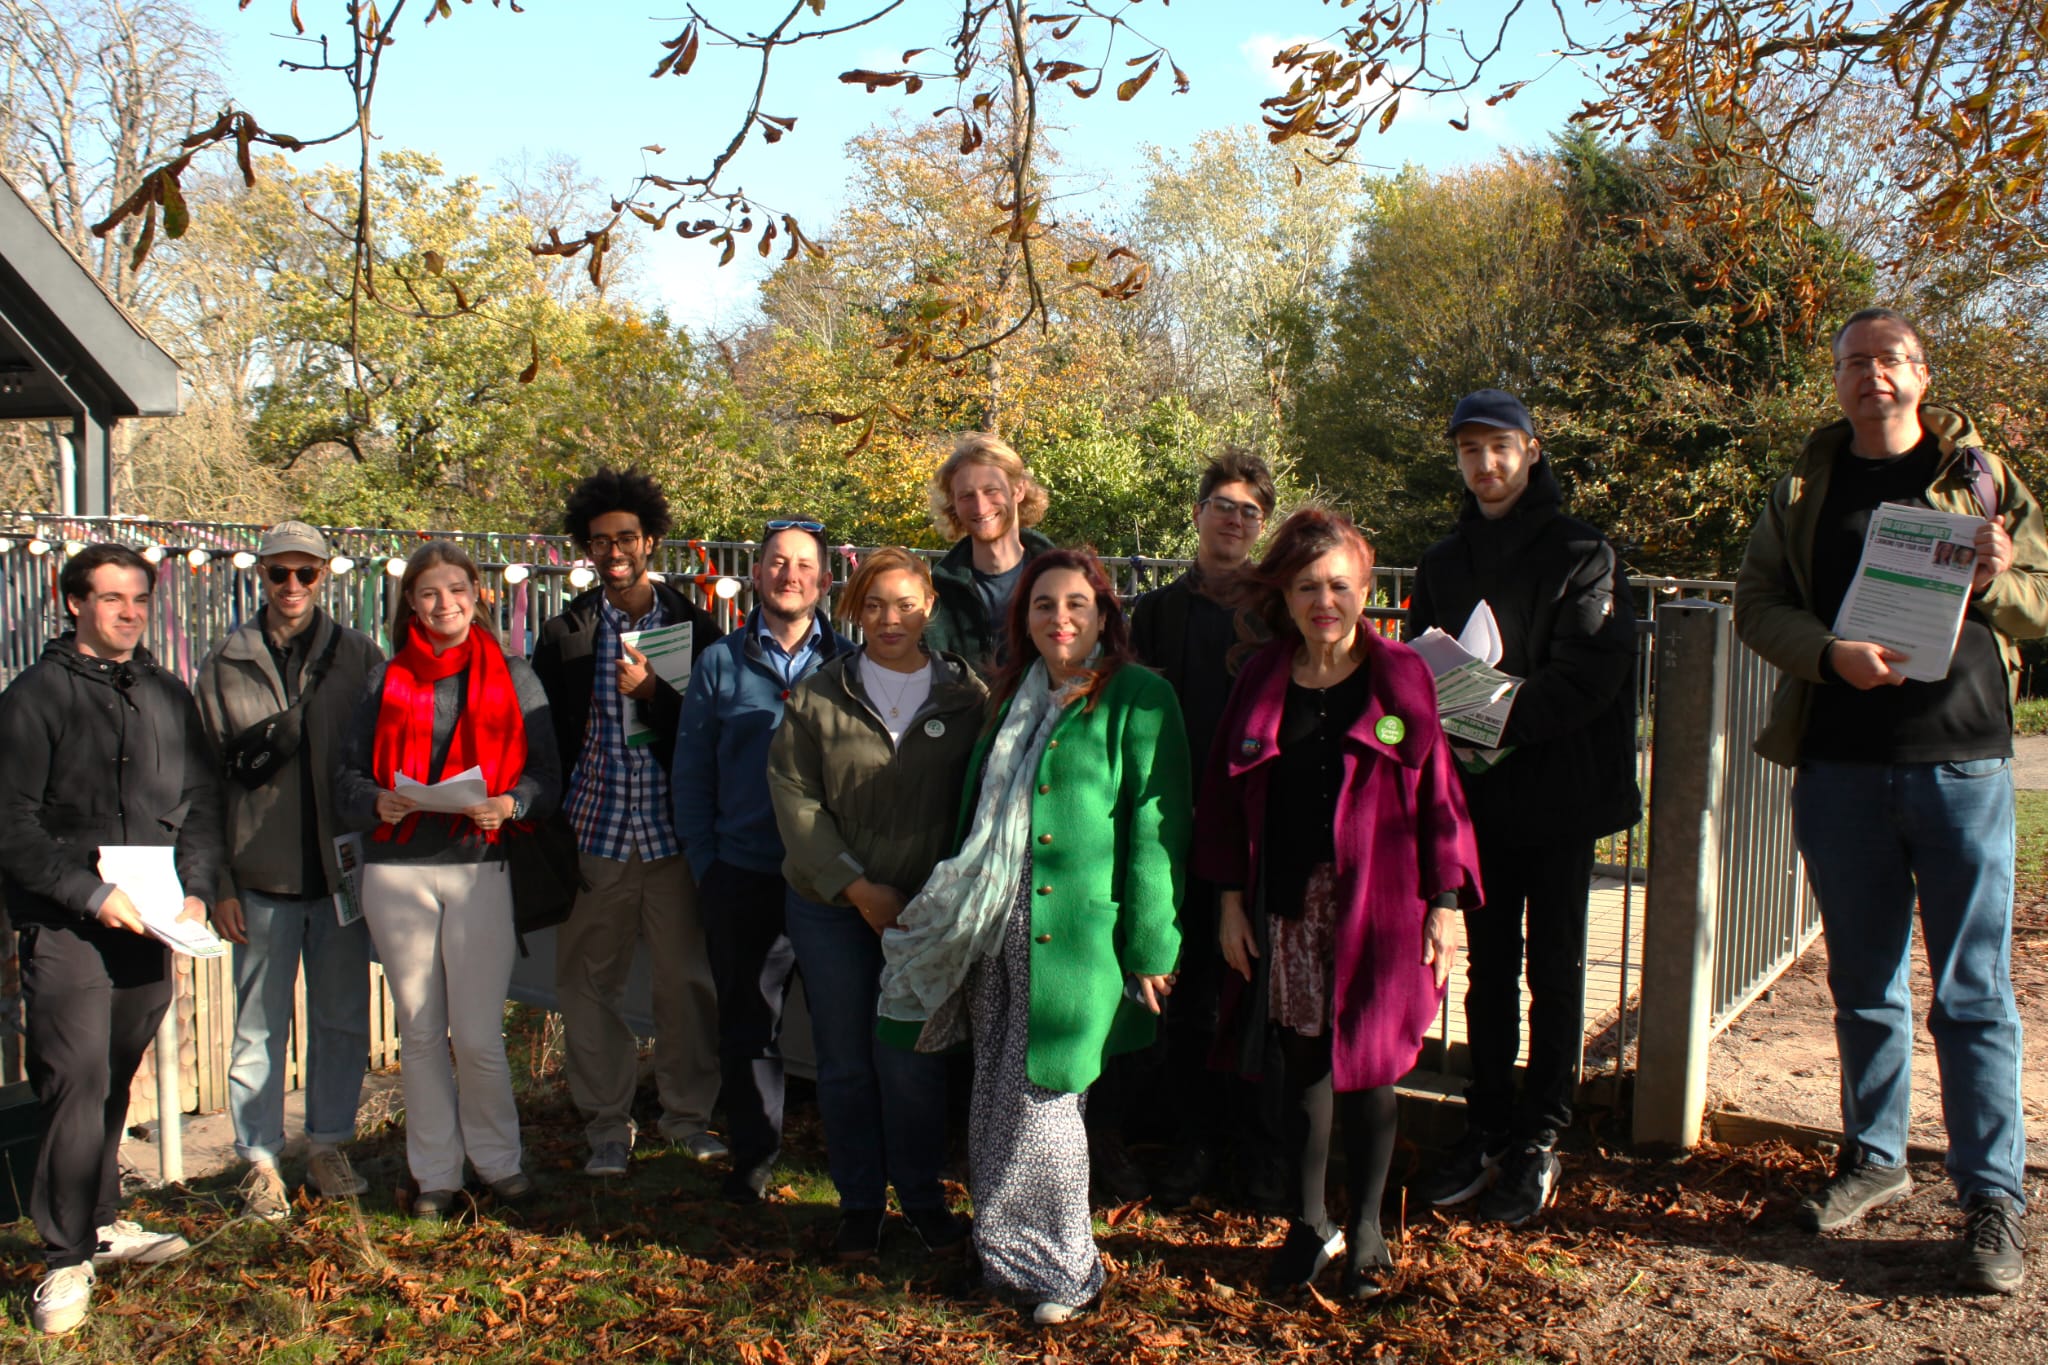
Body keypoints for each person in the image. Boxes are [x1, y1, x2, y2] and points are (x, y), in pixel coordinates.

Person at [1733, 307, 2048, 1295]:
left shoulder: (1979, 478)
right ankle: (1872, 1161)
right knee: (1861, 982)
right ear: (1834, 380)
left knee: (1970, 988)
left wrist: (1998, 580)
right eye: (1850, 361)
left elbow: (2042, 603)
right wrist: (1825, 655)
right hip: (1839, 770)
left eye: (1887, 359)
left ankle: (1988, 1194)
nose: (1868, 374)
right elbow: (1755, 606)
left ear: (1919, 375)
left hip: (1959, 766)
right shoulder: (1801, 486)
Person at [878, 547, 1190, 1326]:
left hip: (1076, 938)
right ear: (1024, 619)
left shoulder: (1140, 698)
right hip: (994, 924)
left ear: (1103, 616)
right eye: (1043, 605)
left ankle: (1066, 1271)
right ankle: (1004, 1255)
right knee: (992, 1092)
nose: (1060, 618)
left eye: (1077, 604)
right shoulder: (1013, 693)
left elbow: (1158, 826)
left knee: (1047, 1096)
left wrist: (1154, 947)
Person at [1196, 508, 1482, 1300]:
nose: (1324, 601)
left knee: (1375, 1066)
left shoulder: (1400, 675)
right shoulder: (1261, 676)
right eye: (1305, 586)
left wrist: (1446, 901)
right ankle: (1308, 1220)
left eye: (1339, 585)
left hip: (1383, 904)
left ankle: (1366, 1225)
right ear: (1282, 594)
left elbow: (1440, 797)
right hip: (1288, 901)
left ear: (1364, 589)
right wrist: (1228, 904)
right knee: (1306, 1064)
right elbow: (1223, 799)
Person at [1406, 390, 1641, 1226]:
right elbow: (1414, 668)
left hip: (1560, 796)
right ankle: (1486, 1124)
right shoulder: (1443, 561)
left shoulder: (1584, 551)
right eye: (1469, 450)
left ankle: (1542, 1133)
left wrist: (1490, 718)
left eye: (1499, 447)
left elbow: (1587, 676)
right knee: (1489, 971)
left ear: (1532, 451)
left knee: (1558, 969)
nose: (1485, 464)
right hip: (1477, 799)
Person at [0, 543, 221, 1335]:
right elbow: (11, 826)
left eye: (138, 598)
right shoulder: (33, 697)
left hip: (155, 921)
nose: (129, 612)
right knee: (73, 1075)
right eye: (111, 598)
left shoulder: (166, 693)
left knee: (116, 1073)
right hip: (68, 919)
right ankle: (63, 1260)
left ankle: (100, 1219)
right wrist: (92, 894)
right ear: (73, 603)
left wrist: (197, 888)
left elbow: (200, 800)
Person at [767, 546, 986, 1260]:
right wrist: (858, 888)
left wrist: (933, 896)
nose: (890, 619)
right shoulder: (820, 696)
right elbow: (795, 800)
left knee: (912, 1060)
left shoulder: (966, 697)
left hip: (925, 915)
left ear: (931, 606)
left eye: (905, 603)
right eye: (875, 604)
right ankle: (860, 1204)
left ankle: (921, 1198)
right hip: (833, 906)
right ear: (854, 609)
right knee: (845, 1062)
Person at [334, 540, 560, 1219]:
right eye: (429, 592)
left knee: (480, 1033)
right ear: (411, 602)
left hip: (478, 867)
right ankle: (434, 1172)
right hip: (397, 872)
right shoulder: (384, 679)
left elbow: (547, 775)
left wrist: (510, 803)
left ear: (478, 593)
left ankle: (499, 1162)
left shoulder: (513, 674)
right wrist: (377, 799)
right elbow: (344, 778)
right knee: (422, 1029)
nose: (445, 603)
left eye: (457, 588)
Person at [531, 469, 727, 1177]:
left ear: (649, 541)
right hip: (596, 838)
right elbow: (547, 737)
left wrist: (653, 695)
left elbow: (710, 734)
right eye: (599, 540)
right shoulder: (567, 634)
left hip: (673, 838)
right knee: (588, 986)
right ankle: (607, 1124)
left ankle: (687, 1115)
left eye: (626, 538)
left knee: (684, 985)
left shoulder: (697, 629)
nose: (613, 551)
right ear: (586, 548)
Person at [195, 521, 383, 1222]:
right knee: (257, 1029)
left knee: (341, 1020)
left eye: (306, 573)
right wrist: (215, 882)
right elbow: (205, 784)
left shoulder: (359, 656)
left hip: (339, 878)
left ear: (324, 575)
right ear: (261, 576)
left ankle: (329, 1140)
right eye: (280, 574)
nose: (293, 587)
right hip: (260, 878)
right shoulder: (225, 664)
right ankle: (259, 1157)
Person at [673, 518, 851, 1204]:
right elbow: (691, 775)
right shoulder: (720, 662)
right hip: (743, 874)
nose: (790, 574)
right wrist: (708, 868)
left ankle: (852, 1160)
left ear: (825, 581)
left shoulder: (849, 664)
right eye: (778, 562)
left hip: (830, 878)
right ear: (757, 574)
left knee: (842, 1028)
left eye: (804, 564)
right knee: (749, 1027)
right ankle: (753, 1157)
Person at [1126, 448, 1283, 1209]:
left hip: (1259, 833)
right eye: (1223, 504)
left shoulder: (1280, 608)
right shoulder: (1156, 612)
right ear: (1197, 513)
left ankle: (1256, 1147)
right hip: (1174, 832)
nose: (1234, 519)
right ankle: (1190, 1143)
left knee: (1256, 990)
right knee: (1186, 994)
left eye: (1250, 510)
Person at [920, 433, 1055, 670]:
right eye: (967, 495)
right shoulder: (937, 594)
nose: (981, 507)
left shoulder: (1063, 581)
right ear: (953, 503)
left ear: (1018, 490)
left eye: (991, 490)